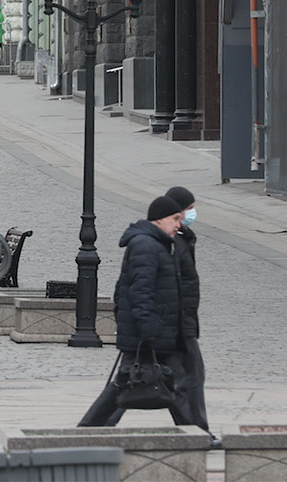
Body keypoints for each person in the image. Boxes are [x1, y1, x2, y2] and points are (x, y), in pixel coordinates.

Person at [79, 195, 192, 427]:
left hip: (154, 331)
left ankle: (195, 431)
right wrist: (147, 328)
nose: (179, 224)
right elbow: (140, 290)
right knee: (127, 385)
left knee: (170, 385)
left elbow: (124, 289)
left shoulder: (156, 244)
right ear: (159, 220)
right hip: (149, 332)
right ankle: (89, 429)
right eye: (175, 219)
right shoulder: (146, 246)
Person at [166, 185, 209, 435]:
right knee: (191, 378)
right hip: (177, 325)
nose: (193, 213)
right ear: (178, 212)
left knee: (124, 384)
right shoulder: (173, 244)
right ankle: (197, 431)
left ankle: (195, 430)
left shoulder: (182, 239)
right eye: (190, 209)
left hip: (180, 323)